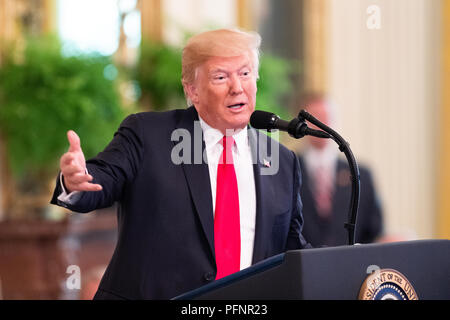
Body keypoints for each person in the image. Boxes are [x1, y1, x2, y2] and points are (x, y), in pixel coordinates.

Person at [50, 29, 310, 300]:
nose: (237, 87)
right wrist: (75, 180)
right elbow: (104, 178)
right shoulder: (147, 134)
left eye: (245, 74)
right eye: (221, 77)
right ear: (192, 90)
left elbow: (293, 251)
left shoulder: (281, 160)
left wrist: (345, 270)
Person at [296, 93, 383, 247]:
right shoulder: (290, 170)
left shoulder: (360, 173)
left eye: (325, 117)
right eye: (314, 118)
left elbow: (374, 228)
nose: (320, 124)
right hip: (303, 264)